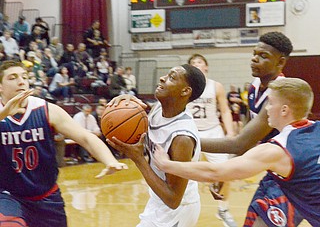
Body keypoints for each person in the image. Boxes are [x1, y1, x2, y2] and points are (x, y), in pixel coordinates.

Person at [154, 77, 319, 226]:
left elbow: (215, 172)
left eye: (270, 103)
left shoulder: (277, 150)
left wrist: (166, 164)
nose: (266, 108)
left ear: (284, 110)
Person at [0, 60, 127, 227]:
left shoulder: (46, 110)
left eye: (24, 76)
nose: (21, 81)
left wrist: (110, 160)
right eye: (13, 77)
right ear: (0, 86)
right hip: (9, 196)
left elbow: (85, 137)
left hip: (47, 197)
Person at [195, 32, 304, 226]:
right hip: (276, 175)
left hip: (300, 179)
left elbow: (239, 144)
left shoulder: (281, 92)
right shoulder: (254, 88)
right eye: (254, 53)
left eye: (263, 56)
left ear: (280, 62)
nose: (255, 58)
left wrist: (186, 138)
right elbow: (248, 139)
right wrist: (225, 173)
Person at [106, 64, 206, 227]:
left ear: (185, 91)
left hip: (177, 210)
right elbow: (142, 132)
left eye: (172, 77)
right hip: (159, 203)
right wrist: (129, 107)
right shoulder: (159, 109)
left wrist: (139, 160)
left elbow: (173, 199)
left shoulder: (181, 138)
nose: (162, 78)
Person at [186, 54, 237, 227]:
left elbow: (224, 110)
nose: (196, 64)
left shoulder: (216, 86)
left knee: (226, 172)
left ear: (206, 67)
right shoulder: (185, 86)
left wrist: (230, 132)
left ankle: (223, 209)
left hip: (213, 131)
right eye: (193, 63)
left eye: (199, 62)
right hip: (190, 133)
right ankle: (181, 211)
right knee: (183, 174)